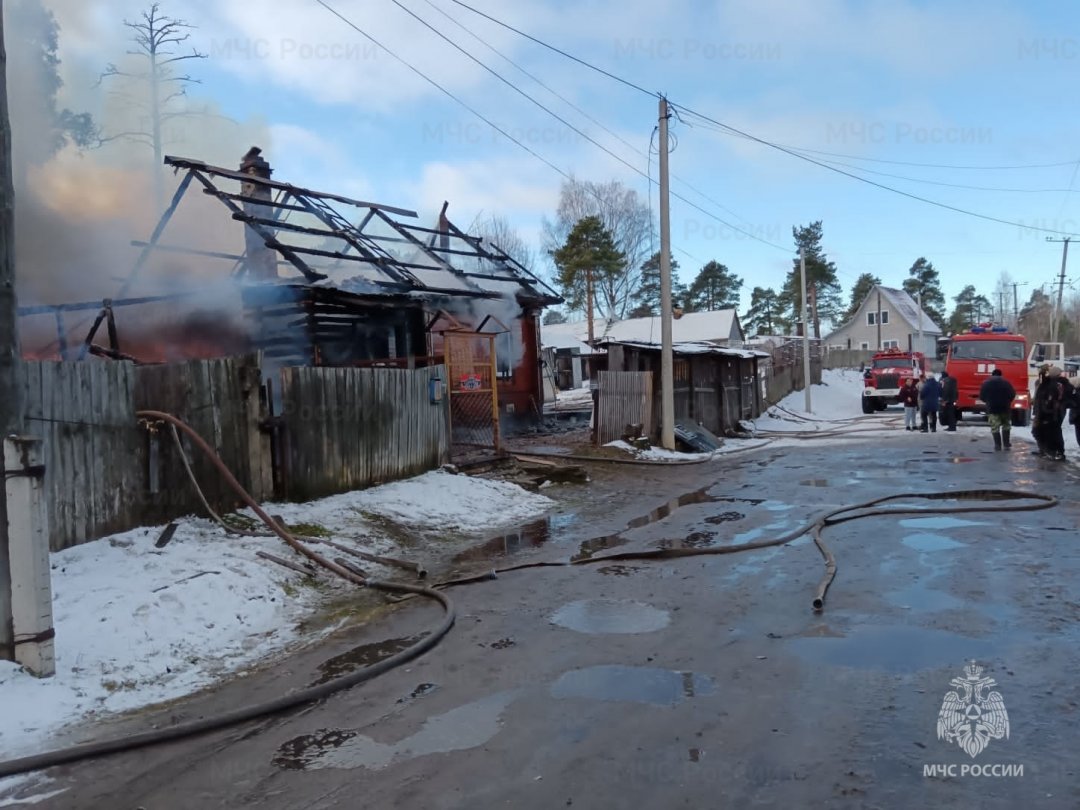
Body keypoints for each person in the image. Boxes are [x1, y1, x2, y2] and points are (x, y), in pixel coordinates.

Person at [1034, 365, 1069, 460]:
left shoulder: (1054, 384)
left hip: (1051, 413)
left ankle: (1053, 451)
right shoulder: (1048, 383)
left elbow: (1050, 399)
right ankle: (1048, 450)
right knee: (1047, 431)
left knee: (1052, 432)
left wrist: (1046, 410)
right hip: (1052, 412)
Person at [978, 368, 1015, 451]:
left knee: (995, 427)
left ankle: (997, 445)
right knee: (1006, 426)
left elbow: (982, 396)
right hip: (1005, 408)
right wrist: (1007, 401)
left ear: (992, 375)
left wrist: (988, 402)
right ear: (1001, 375)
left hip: (992, 409)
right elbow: (1012, 394)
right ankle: (1006, 443)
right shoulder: (1006, 383)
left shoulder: (986, 383)